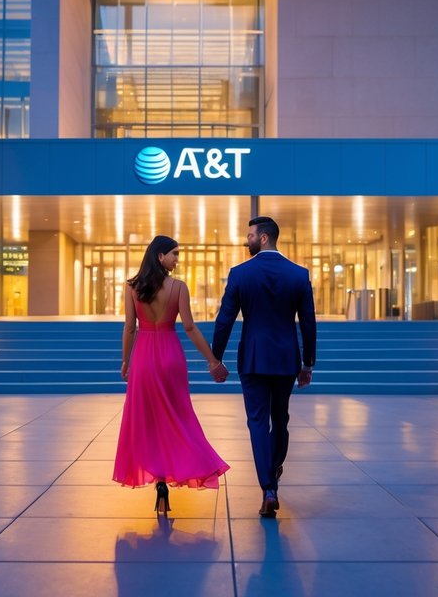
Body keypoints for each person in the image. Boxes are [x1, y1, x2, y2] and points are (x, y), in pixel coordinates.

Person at [113, 235, 230, 514]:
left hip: (143, 357)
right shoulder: (178, 287)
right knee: (179, 417)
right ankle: (181, 468)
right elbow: (189, 328)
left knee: (148, 420)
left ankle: (160, 482)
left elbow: (130, 328)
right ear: (159, 256)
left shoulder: (132, 287)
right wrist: (213, 361)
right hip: (170, 356)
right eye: (174, 254)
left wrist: (125, 361)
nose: (178, 259)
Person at [212, 216, 316, 518]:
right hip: (286, 359)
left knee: (257, 422)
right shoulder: (299, 275)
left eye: (250, 236)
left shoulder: (240, 274)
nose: (248, 241)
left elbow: (225, 320)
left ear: (265, 238)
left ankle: (268, 488)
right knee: (280, 419)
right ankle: (274, 470)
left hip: (254, 359)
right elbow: (308, 323)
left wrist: (216, 358)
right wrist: (308, 363)